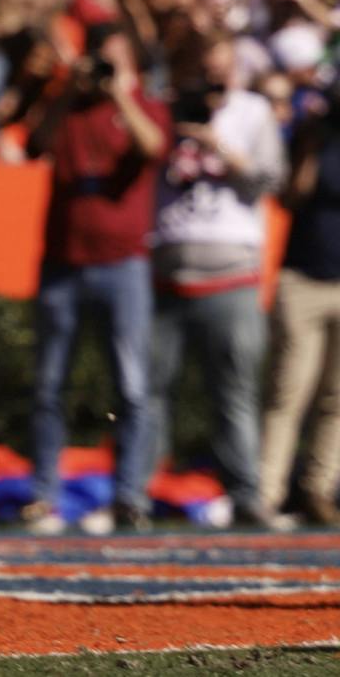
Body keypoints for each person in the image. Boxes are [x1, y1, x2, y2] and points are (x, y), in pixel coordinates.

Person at [17, 21, 168, 533]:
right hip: (64, 261)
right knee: (49, 385)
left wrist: (119, 93)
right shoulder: (69, 110)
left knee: (132, 386)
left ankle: (129, 496)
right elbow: (34, 144)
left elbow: (153, 146)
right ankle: (44, 496)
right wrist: (68, 89)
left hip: (123, 263)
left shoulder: (142, 106)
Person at [147, 32, 286, 528]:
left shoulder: (252, 112)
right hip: (167, 269)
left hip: (232, 274)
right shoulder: (163, 109)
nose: (214, 79)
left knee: (234, 391)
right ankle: (137, 493)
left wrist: (219, 145)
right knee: (149, 391)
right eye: (205, 70)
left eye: (223, 70)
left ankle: (245, 493)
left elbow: (270, 179)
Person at [261, 82, 340, 524]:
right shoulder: (314, 137)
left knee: (338, 398)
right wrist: (308, 146)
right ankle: (267, 491)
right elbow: (290, 198)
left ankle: (318, 489)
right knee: (288, 390)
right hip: (304, 278)